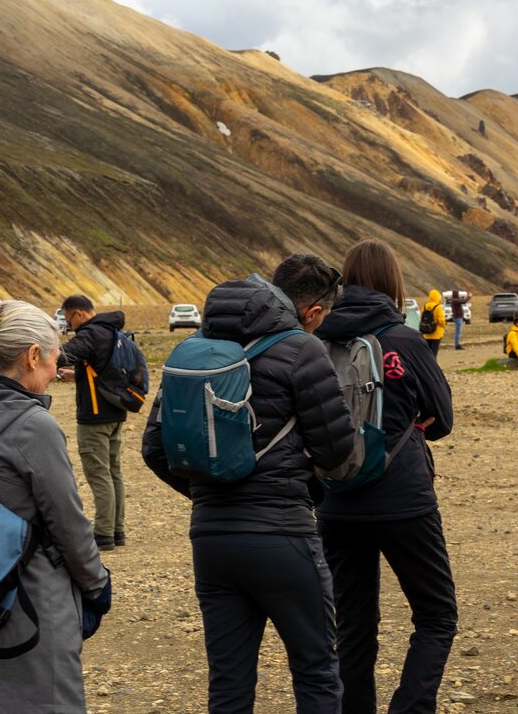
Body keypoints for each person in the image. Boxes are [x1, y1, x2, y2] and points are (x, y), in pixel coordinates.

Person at [143, 254, 356, 714]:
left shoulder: (194, 351)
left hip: (211, 541)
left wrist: (211, 486)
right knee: (316, 671)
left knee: (229, 684)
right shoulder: (303, 350)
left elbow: (155, 450)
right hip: (282, 535)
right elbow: (338, 454)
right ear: (313, 310)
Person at [0, 300, 112, 713]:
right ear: (32, 356)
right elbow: (68, 523)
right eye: (53, 358)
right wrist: (97, 586)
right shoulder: (33, 426)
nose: (55, 371)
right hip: (29, 599)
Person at [314, 239, 456, 714]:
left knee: (352, 625)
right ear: (393, 282)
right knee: (436, 615)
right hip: (404, 498)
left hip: (336, 498)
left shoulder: (318, 340)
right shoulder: (405, 340)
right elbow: (444, 420)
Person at [56, 295, 128, 551]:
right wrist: (77, 376)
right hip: (115, 410)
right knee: (113, 472)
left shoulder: (90, 333)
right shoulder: (112, 331)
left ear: (77, 314)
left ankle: (103, 533)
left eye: (68, 320)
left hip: (94, 416)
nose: (69, 326)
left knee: (98, 474)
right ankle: (117, 530)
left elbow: (63, 355)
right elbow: (101, 369)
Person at [420, 289, 446, 355]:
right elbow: (441, 321)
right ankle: (432, 365)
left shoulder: (425, 306)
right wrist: (444, 325)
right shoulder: (438, 307)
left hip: (426, 332)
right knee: (434, 353)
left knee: (428, 353)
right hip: (436, 333)